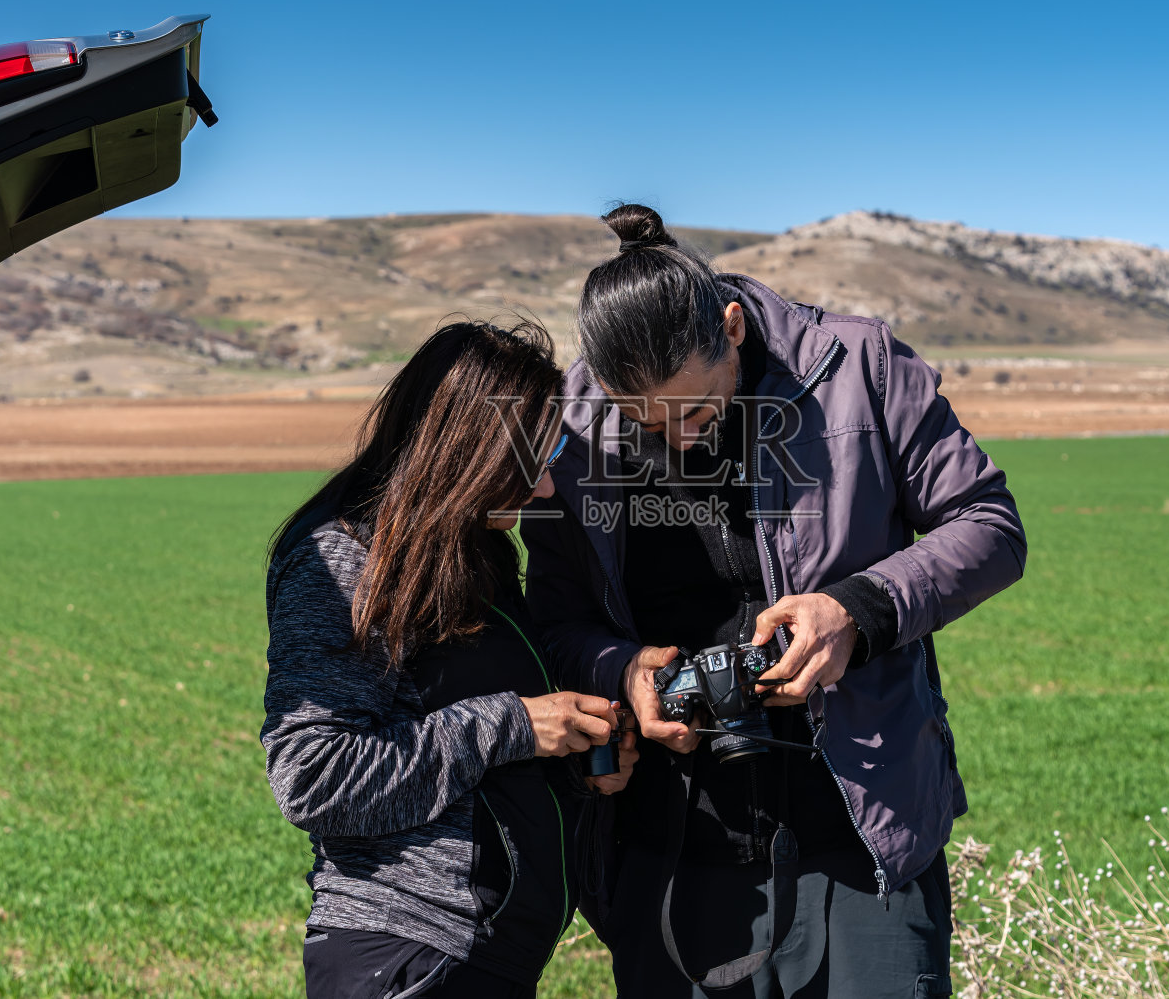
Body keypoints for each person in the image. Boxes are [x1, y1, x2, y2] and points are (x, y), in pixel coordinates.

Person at [521, 205, 1027, 998]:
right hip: (669, 850)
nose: (677, 437)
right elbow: (552, 618)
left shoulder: (862, 367)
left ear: (730, 327)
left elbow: (991, 526)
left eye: (693, 409)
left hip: (864, 839)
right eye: (641, 419)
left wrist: (857, 611)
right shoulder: (575, 424)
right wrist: (622, 671)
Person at [262, 320, 637, 999]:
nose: (548, 487)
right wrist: (517, 724)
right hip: (407, 959)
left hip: (481, 960)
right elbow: (312, 774)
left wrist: (575, 760)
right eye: (535, 457)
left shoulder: (475, 551)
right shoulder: (346, 559)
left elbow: (473, 755)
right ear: (469, 448)